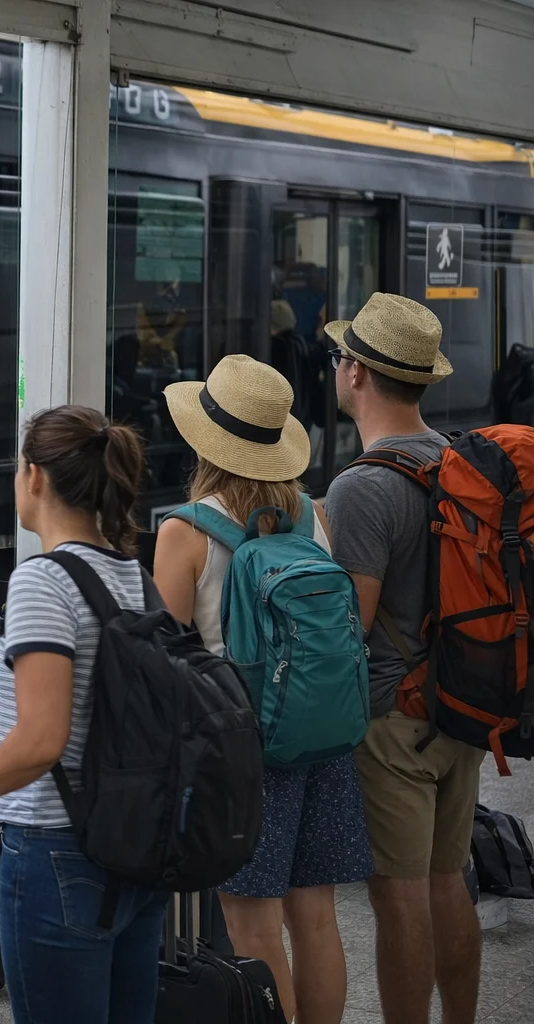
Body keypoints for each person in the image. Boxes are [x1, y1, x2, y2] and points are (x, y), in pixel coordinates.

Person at [0, 405, 164, 1024]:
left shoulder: (43, 582)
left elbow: (43, 738)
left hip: (56, 852)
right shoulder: (132, 574)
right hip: (134, 848)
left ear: (35, 477)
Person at [154, 355, 372, 1024]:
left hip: (241, 751)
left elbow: (163, 660)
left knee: (252, 928)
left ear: (205, 442)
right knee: (316, 918)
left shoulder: (185, 530)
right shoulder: (311, 515)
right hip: (323, 738)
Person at [322, 292, 483, 1024]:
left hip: (393, 723)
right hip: (460, 703)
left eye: (340, 356)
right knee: (449, 880)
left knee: (399, 897)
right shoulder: (457, 460)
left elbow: (350, 625)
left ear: (357, 372)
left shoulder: (362, 486)